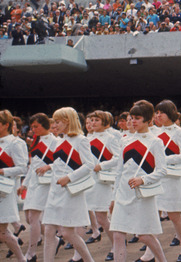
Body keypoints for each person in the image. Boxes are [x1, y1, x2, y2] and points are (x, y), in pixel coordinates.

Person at [109, 100, 169, 262]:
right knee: (118, 235)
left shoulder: (156, 141)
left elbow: (162, 170)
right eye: (132, 117)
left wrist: (143, 179)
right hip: (123, 193)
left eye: (137, 118)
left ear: (148, 120)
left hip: (142, 195)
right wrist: (114, 197)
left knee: (144, 236)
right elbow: (119, 171)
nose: (133, 121)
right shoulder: (125, 140)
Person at [40, 107, 97, 262]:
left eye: (57, 122)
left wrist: (69, 177)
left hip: (70, 192)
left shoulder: (81, 140)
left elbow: (89, 165)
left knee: (68, 233)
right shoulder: (59, 140)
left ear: (67, 121)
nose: (54, 125)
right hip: (55, 191)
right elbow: (59, 164)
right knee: (49, 231)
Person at [151, 100, 181, 262]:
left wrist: (165, 160)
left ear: (170, 113)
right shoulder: (153, 132)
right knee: (152, 213)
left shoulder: (179, 132)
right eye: (157, 112)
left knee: (175, 215)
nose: (158, 115)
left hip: (173, 178)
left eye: (162, 112)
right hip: (156, 177)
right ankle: (150, 251)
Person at [84, 111, 120, 258]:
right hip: (88, 180)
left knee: (102, 217)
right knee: (89, 215)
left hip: (101, 181)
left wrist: (102, 165)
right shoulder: (87, 138)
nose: (92, 123)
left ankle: (116, 246)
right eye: (91, 120)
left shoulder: (110, 138)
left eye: (96, 120)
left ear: (105, 122)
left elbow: (118, 158)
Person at [20, 113, 56, 261]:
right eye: (32, 127)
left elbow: (62, 164)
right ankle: (55, 239)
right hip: (34, 182)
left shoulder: (55, 141)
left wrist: (49, 166)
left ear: (45, 124)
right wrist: (24, 184)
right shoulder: (36, 140)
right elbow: (33, 165)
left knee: (34, 217)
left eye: (36, 126)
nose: (33, 129)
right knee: (29, 218)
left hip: (45, 183)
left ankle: (31, 252)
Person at [0, 110, 27, 262]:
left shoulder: (15, 143)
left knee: (2, 231)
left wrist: (2, 170)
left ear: (6, 125)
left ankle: (21, 258)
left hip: (4, 190)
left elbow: (22, 167)